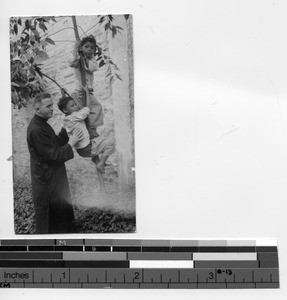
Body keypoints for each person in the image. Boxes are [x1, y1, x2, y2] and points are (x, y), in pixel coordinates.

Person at [27, 92, 82, 234]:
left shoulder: (43, 125)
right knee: (52, 221)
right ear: (37, 108)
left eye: (52, 105)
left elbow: (55, 144)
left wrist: (66, 127)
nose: (52, 108)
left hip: (53, 180)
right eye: (49, 106)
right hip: (47, 185)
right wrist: (71, 144)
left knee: (61, 216)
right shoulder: (36, 129)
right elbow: (53, 155)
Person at [58, 86, 115, 173]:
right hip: (87, 148)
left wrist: (63, 96)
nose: (76, 107)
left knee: (97, 138)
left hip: (81, 149)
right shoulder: (75, 116)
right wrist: (87, 93)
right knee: (111, 143)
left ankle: (97, 160)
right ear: (65, 110)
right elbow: (88, 108)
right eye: (72, 106)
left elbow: (64, 108)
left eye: (75, 104)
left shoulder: (65, 118)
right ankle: (101, 163)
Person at [69, 35, 104, 139]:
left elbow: (92, 67)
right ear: (81, 48)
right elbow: (71, 62)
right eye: (86, 47)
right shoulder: (78, 59)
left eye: (92, 48)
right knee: (94, 108)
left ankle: (92, 130)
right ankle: (91, 131)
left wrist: (97, 53)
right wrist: (76, 47)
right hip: (81, 90)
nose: (89, 49)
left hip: (88, 91)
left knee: (90, 110)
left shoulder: (91, 60)